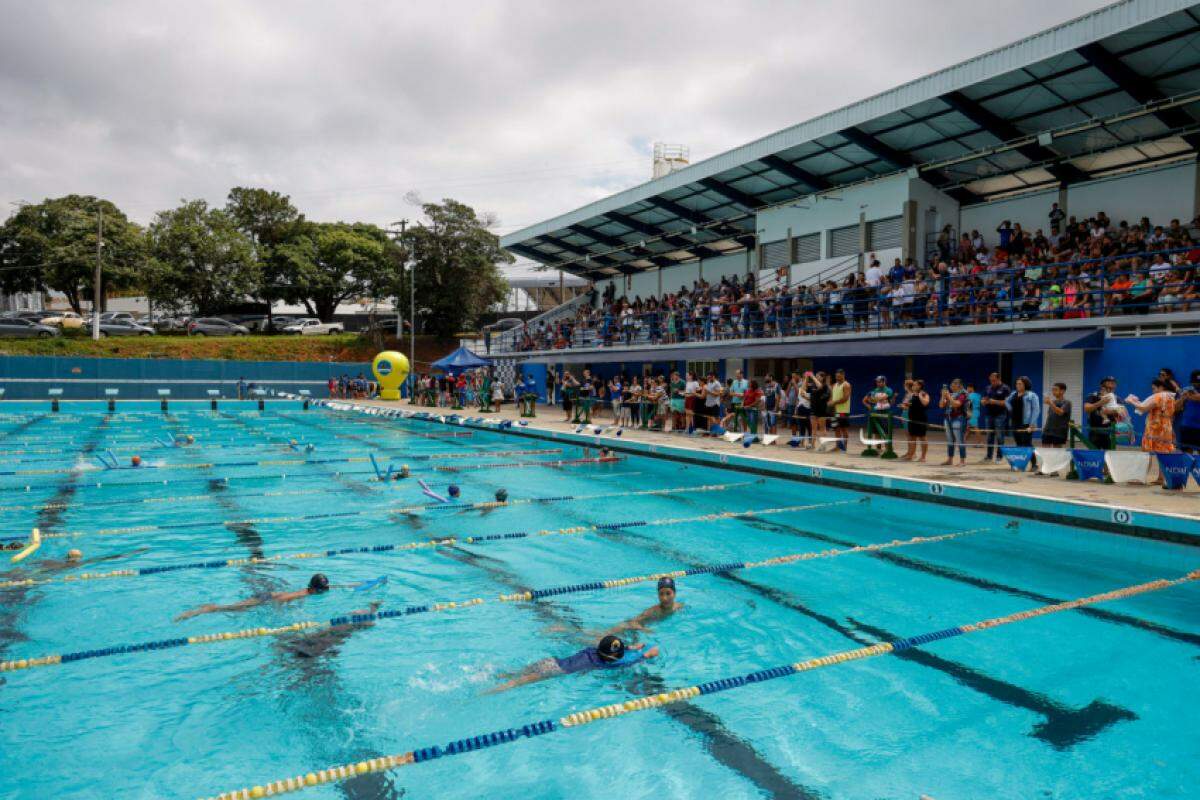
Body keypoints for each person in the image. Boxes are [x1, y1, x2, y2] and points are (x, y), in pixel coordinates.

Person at [486, 635, 658, 693]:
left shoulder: (593, 651)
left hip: (550, 662)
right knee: (514, 684)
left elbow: (616, 651)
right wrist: (644, 654)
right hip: (555, 670)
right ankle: (489, 691)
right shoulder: (607, 664)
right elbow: (633, 659)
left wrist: (629, 646)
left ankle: (496, 675)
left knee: (513, 674)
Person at [174, 574, 332, 621]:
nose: (325, 591)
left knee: (236, 608)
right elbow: (280, 600)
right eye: (323, 589)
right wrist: (278, 613)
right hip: (264, 599)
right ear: (315, 589)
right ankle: (205, 609)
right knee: (234, 609)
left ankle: (210, 607)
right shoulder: (302, 594)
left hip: (266, 596)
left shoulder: (308, 590)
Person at [1126, 378, 1176, 455]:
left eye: (1154, 389)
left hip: (1155, 427)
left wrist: (1131, 401)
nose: (1153, 391)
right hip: (1166, 427)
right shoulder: (1171, 398)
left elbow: (1144, 408)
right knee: (1164, 453)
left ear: (1161, 387)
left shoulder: (1158, 396)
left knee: (1150, 452)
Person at [980, 372, 1012, 463]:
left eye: (994, 380)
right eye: (991, 380)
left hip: (1000, 415)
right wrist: (983, 402)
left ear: (999, 379)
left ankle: (999, 457)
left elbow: (1007, 403)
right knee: (989, 436)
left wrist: (994, 401)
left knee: (1000, 437)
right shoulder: (988, 388)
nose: (992, 382)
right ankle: (989, 456)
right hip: (989, 415)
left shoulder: (1005, 388)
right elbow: (984, 399)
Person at [1084, 376, 1121, 449]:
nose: (1111, 387)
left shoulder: (1116, 398)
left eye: (1113, 384)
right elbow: (1087, 408)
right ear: (1102, 386)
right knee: (1093, 455)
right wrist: (1100, 402)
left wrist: (1111, 411)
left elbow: (1121, 412)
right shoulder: (1093, 396)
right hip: (1095, 430)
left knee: (1110, 456)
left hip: (1110, 432)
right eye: (1109, 384)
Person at [939, 378, 969, 466]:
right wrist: (943, 396)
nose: (951, 386)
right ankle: (950, 459)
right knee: (950, 440)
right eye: (951, 384)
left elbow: (957, 404)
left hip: (958, 418)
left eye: (953, 384)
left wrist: (948, 397)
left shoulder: (963, 394)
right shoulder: (951, 394)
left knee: (960, 440)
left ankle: (962, 461)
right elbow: (941, 405)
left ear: (959, 385)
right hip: (948, 418)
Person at [898, 379, 930, 462]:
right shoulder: (912, 395)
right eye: (913, 385)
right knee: (912, 437)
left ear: (919, 386)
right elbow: (912, 405)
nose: (913, 386)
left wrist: (919, 395)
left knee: (922, 437)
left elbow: (925, 403)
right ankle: (911, 455)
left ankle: (923, 457)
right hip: (912, 418)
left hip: (921, 418)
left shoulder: (924, 394)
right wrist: (905, 405)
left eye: (915, 385)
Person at [1007, 376, 1040, 449]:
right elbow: (1006, 401)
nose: (1017, 385)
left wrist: (1032, 424)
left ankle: (1034, 460)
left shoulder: (1032, 395)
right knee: (1018, 443)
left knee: (1027, 444)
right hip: (1015, 423)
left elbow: (1036, 410)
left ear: (1026, 384)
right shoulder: (1013, 394)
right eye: (1017, 384)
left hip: (1026, 424)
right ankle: (1022, 460)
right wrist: (1011, 410)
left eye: (1020, 384)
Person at [1041, 382, 1072, 447]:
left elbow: (1060, 412)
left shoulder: (1067, 402)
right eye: (1052, 390)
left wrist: (1050, 403)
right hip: (1048, 430)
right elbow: (1049, 416)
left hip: (1059, 432)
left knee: (1057, 452)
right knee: (1044, 450)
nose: (1053, 391)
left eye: (1055, 389)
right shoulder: (1053, 401)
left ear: (1062, 391)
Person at [1177, 369, 1200, 454]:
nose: (1197, 385)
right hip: (1187, 426)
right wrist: (1182, 398)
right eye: (1195, 383)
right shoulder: (1186, 390)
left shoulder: (1190, 392)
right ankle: (1187, 468)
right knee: (1186, 454)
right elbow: (1177, 408)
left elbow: (1197, 397)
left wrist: (1192, 396)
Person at [830, 369, 852, 449]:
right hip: (835, 411)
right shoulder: (834, 385)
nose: (837, 378)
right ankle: (837, 446)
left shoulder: (846, 385)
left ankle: (844, 447)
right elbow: (832, 398)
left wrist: (834, 402)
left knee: (844, 429)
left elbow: (846, 398)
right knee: (836, 429)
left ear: (843, 375)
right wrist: (830, 403)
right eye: (836, 376)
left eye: (839, 376)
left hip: (843, 411)